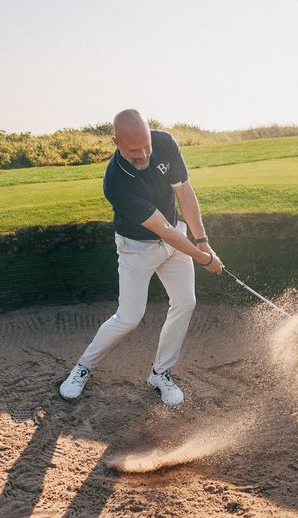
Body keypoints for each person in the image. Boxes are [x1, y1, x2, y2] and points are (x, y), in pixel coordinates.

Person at [59, 109, 224, 406]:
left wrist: (203, 241)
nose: (143, 153)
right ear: (115, 142)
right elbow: (162, 228)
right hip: (138, 248)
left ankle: (161, 374)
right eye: (134, 149)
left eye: (146, 144)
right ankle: (83, 367)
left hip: (177, 238)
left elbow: (184, 194)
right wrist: (202, 258)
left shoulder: (165, 143)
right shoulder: (116, 183)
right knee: (129, 317)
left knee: (186, 301)